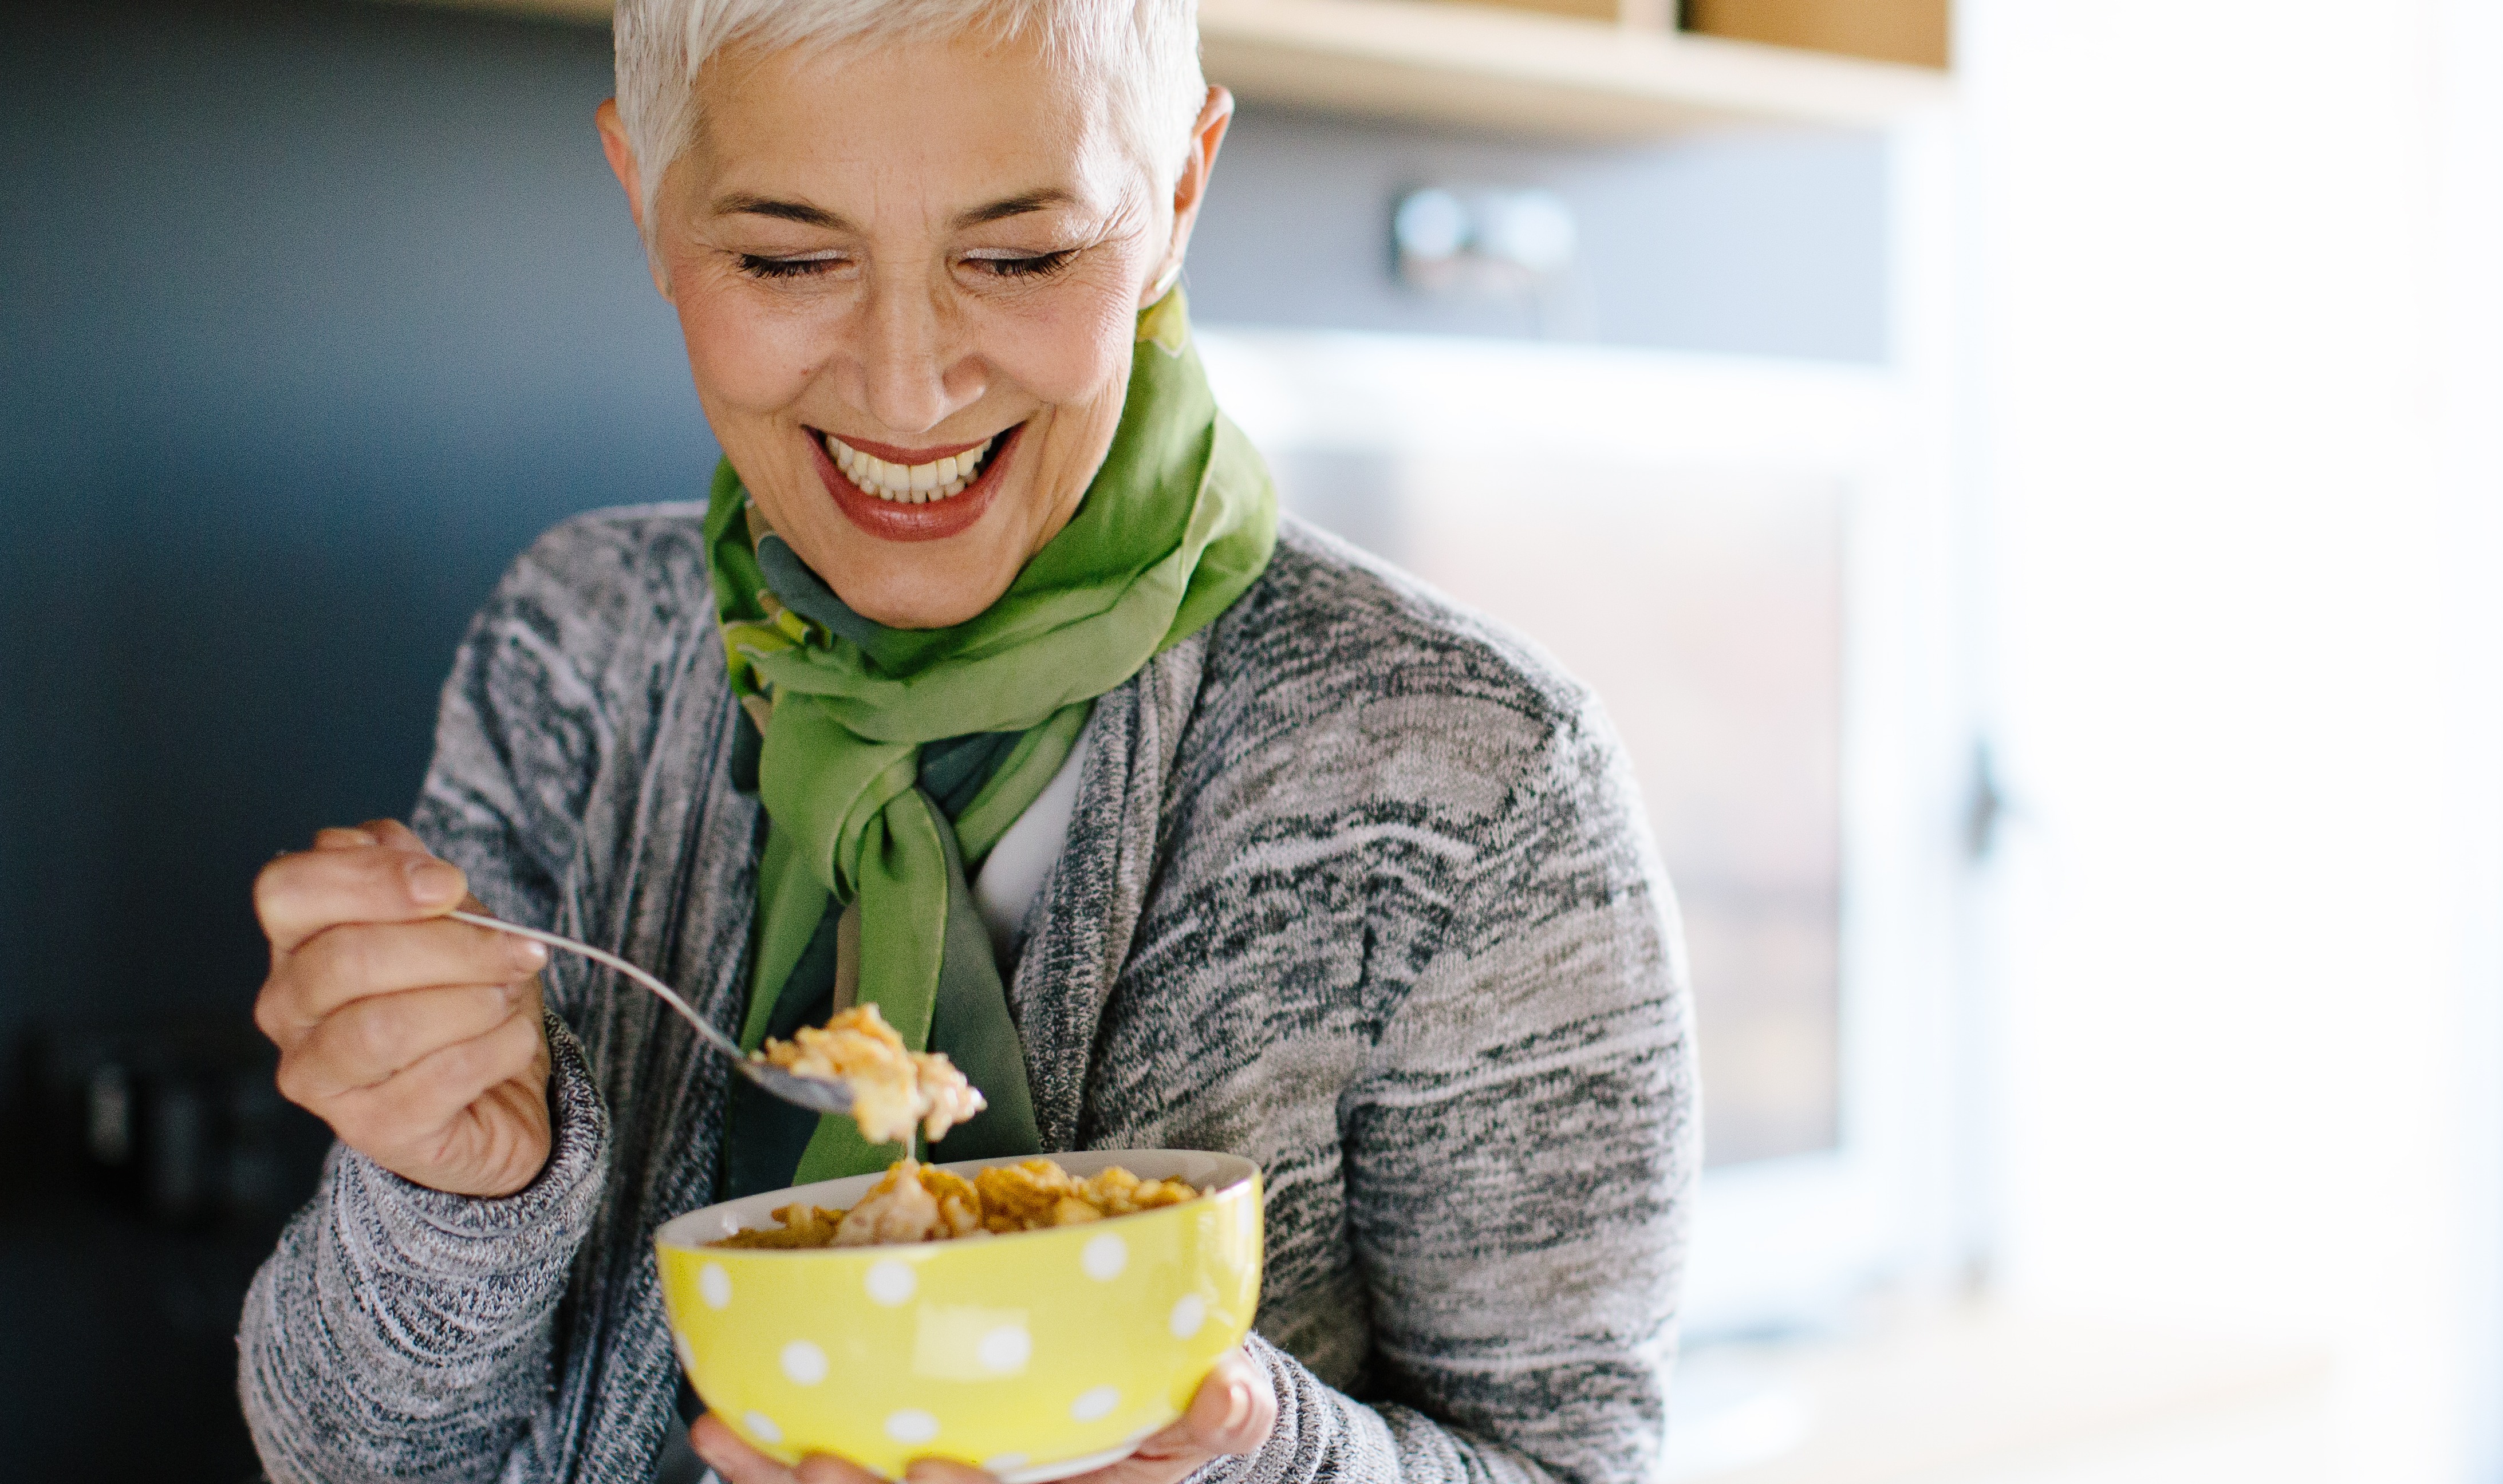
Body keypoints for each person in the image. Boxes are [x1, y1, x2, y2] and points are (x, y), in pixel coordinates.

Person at [235, 2, 1696, 1481]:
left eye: (1021, 256)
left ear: (1178, 194)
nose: (907, 386)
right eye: (789, 259)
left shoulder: (1471, 771)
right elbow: (350, 1458)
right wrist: (451, 1194)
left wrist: (1246, 1459)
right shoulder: (581, 646)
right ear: (646, 199)